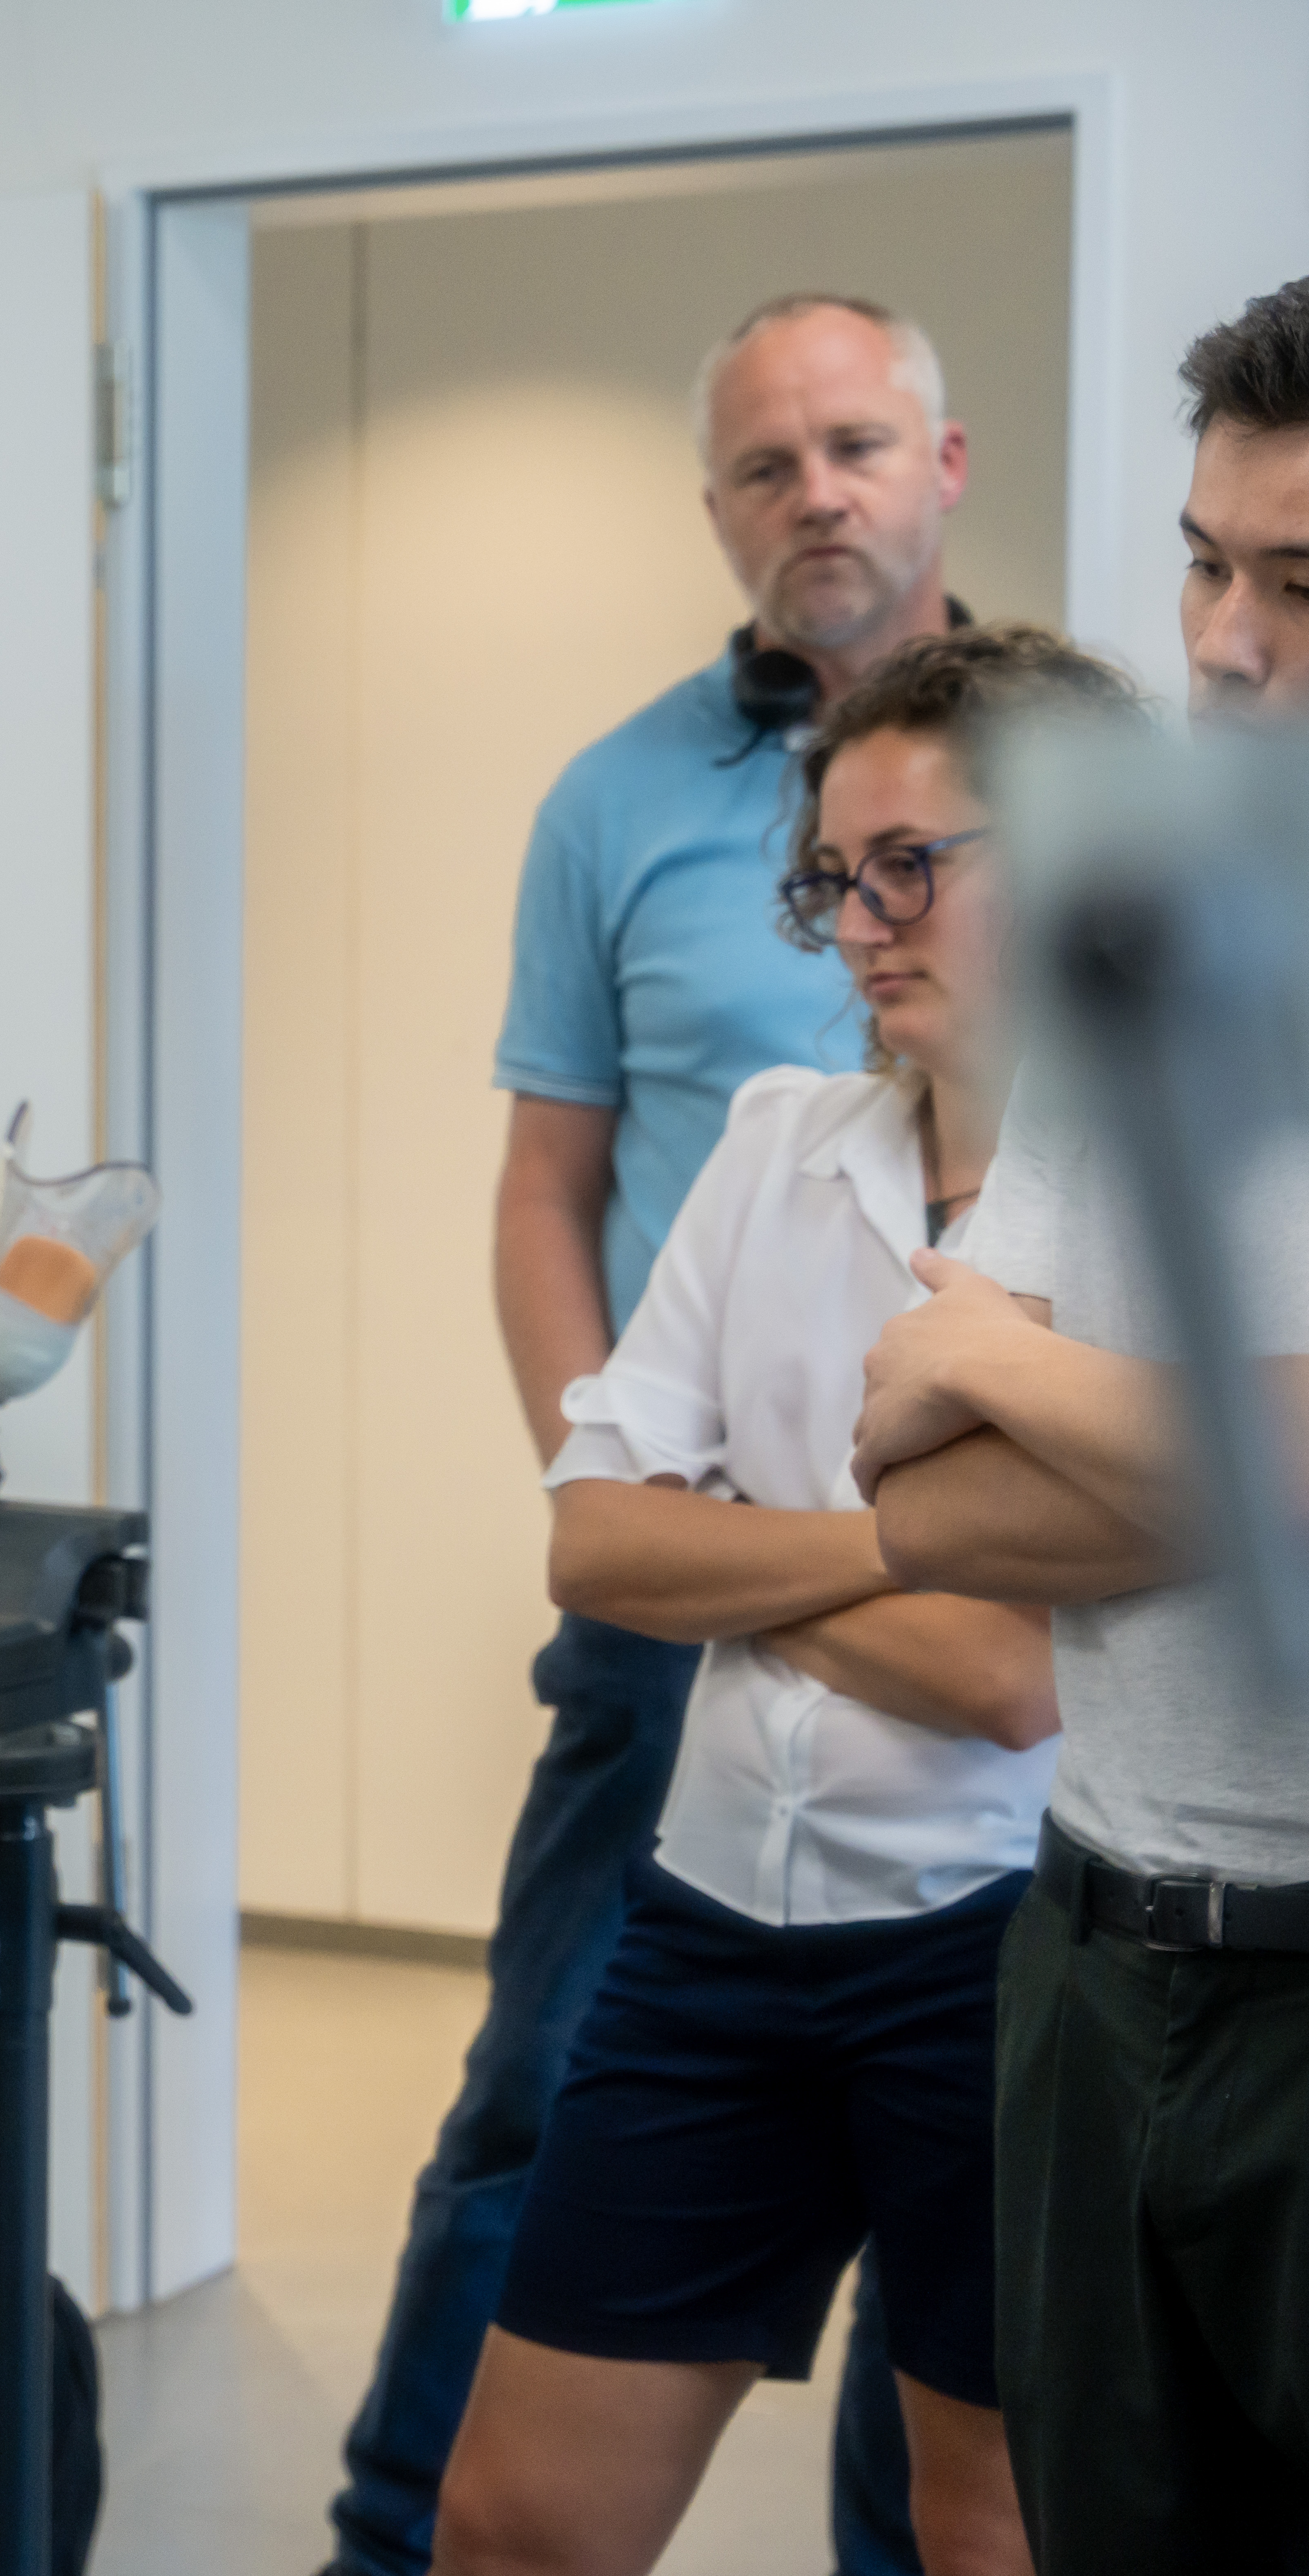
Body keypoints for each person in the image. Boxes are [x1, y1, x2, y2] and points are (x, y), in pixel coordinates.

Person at [331, 290, 978, 2576]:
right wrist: (603, 1485)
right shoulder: (612, 802)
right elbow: (545, 1187)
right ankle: (388, 2545)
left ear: (940, 463)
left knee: (957, 2213)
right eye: (761, 465)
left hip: (984, 1630)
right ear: (713, 508)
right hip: (679, 1595)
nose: (813, 492)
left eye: (851, 446)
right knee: (537, 2110)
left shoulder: (1071, 795)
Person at [435, 625, 1151, 2576]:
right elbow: (596, 1544)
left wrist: (730, 1551)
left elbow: (1011, 1686)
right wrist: (894, 1555)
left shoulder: (1156, 1201)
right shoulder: (774, 1145)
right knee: (506, 2526)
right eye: (831, 876)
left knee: (976, 2527)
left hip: (991, 1951)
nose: (855, 921)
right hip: (712, 1928)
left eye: (909, 864)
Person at [859, 276, 1309, 2570]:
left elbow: (966, 1403)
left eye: (1296, 583)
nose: (1222, 646)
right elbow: (915, 1501)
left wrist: (1000, 1360)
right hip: (1091, 1964)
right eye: (1202, 562)